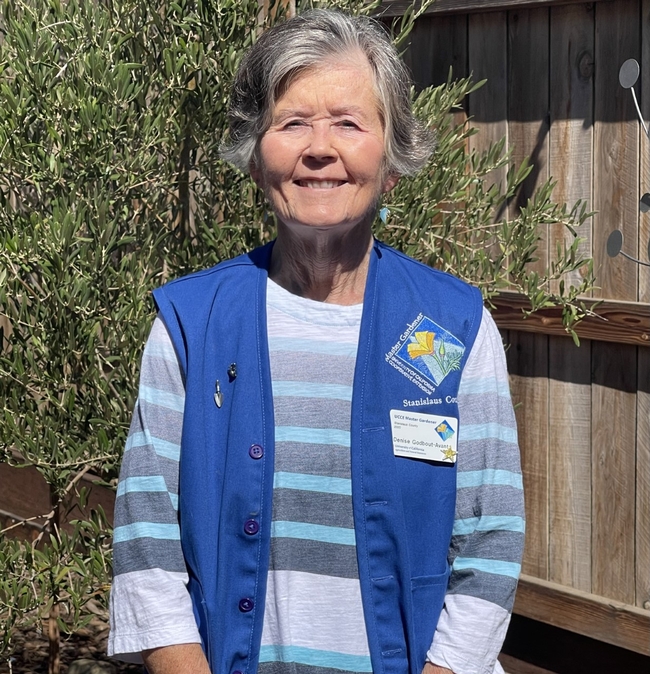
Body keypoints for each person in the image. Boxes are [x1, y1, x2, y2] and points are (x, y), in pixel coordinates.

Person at [108, 9, 524, 674]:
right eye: (292, 122)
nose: (319, 147)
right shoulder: (191, 328)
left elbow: (490, 547)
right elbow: (147, 548)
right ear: (254, 152)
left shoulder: (450, 330)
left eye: (349, 123)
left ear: (390, 156)